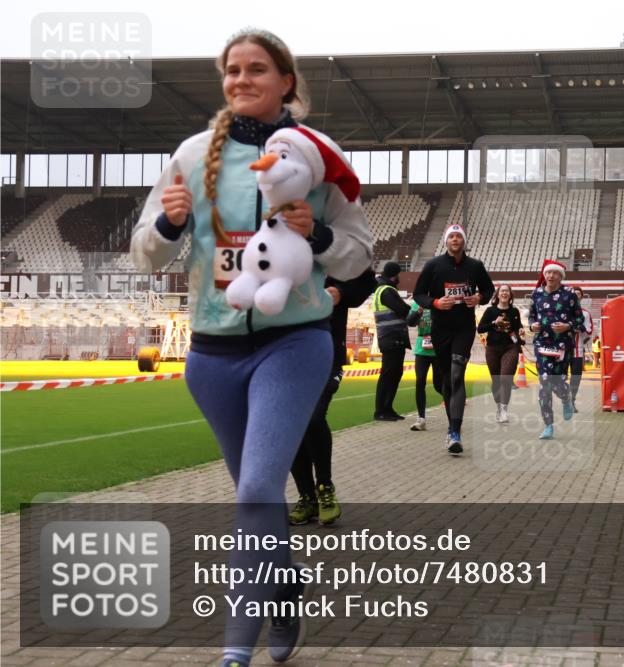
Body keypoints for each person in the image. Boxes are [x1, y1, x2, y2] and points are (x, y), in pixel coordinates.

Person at [130, 28, 372, 667]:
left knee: (257, 489)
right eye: (232, 70)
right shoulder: (191, 153)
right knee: (256, 501)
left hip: (293, 344)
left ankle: (235, 649)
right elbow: (145, 254)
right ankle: (286, 589)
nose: (241, 79)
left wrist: (315, 234)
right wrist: (167, 224)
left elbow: (358, 260)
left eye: (256, 69)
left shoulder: (321, 156)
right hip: (211, 358)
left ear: (286, 81)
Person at [288, 269, 376, 526]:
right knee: (292, 426)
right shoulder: (277, 247)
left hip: (326, 355)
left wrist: (341, 292)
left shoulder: (331, 250)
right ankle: (307, 497)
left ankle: (325, 488)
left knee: (313, 419)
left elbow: (367, 279)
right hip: (286, 356)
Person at [413, 223, 494, 455]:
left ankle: (454, 433)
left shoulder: (475, 266)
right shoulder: (433, 265)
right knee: (446, 381)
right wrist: (435, 303)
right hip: (440, 330)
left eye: (459, 236)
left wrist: (479, 297)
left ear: (464, 241)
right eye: (451, 236)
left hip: (464, 329)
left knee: (457, 374)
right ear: (446, 241)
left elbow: (489, 290)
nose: (455, 240)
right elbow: (418, 294)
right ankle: (451, 427)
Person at [528, 259, 584, 440]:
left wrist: (567, 326)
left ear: (561, 276)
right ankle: (548, 425)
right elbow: (531, 317)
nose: (551, 276)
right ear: (544, 274)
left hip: (562, 345)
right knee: (545, 382)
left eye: (555, 273)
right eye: (548, 273)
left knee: (558, 381)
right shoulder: (536, 294)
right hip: (542, 343)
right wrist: (532, 326)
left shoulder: (569, 294)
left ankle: (566, 398)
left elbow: (579, 320)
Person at [477, 284, 524, 423]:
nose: (504, 293)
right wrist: (493, 323)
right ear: (497, 294)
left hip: (510, 347)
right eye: (502, 291)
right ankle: (498, 406)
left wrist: (520, 331)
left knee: (506, 378)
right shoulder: (490, 311)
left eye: (507, 291)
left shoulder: (514, 311)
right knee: (496, 380)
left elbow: (518, 326)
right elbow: (480, 329)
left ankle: (504, 409)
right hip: (492, 347)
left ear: (510, 295)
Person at [372, 261, 411, 421]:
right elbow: (403, 309)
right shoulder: (387, 290)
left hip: (391, 338)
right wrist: (413, 309)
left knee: (393, 374)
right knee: (389, 375)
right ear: (394, 275)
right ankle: (381, 410)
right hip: (391, 338)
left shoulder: (382, 288)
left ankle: (387, 408)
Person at [406, 300, 442, 431]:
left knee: (439, 384)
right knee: (420, 381)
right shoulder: (417, 303)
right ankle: (421, 419)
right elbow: (410, 322)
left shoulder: (440, 299)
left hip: (439, 347)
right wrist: (419, 311)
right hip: (422, 348)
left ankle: (454, 411)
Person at [568, 286, 593, 413]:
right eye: (574, 293)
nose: (576, 295)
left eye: (578, 294)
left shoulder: (586, 314)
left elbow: (589, 331)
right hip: (562, 349)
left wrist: (581, 328)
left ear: (581, 297)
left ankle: (571, 400)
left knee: (576, 376)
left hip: (578, 349)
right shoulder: (563, 310)